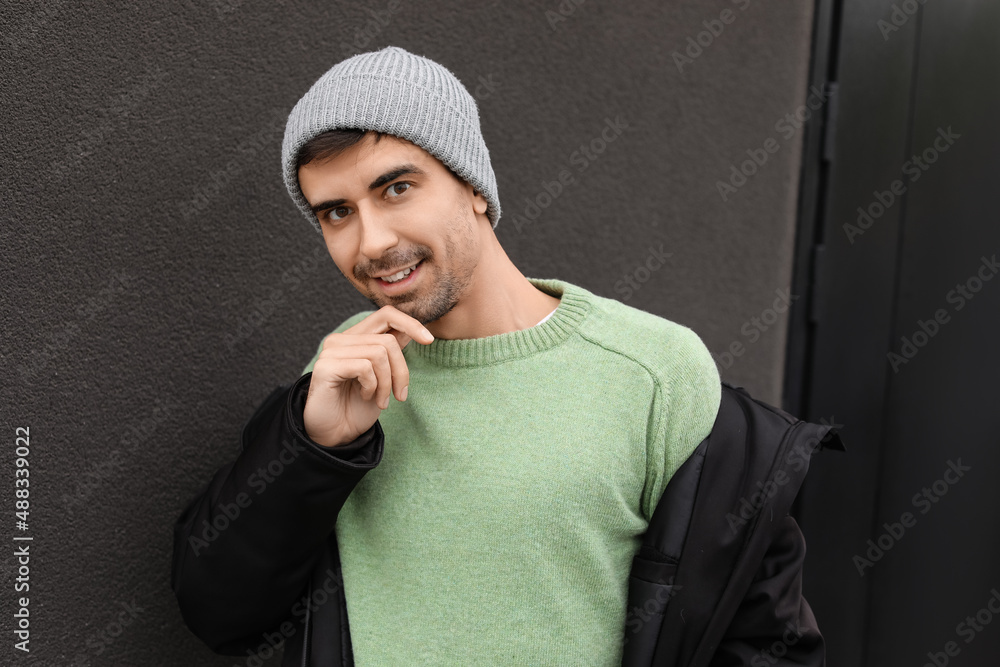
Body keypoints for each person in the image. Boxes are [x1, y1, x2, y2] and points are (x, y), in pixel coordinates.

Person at [172, 45, 728, 665]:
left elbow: (740, 627)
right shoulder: (347, 374)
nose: (373, 241)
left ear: (474, 188)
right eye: (337, 212)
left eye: (398, 188)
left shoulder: (655, 370)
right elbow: (220, 612)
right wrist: (312, 448)